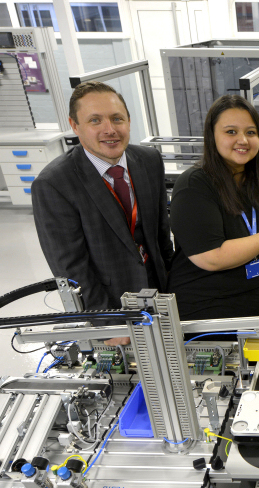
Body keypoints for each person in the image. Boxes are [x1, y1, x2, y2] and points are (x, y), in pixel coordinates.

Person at [32, 81, 174, 320]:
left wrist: (174, 285)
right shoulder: (55, 184)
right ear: (75, 126)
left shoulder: (149, 160)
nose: (110, 130)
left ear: (129, 121)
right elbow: (71, 267)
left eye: (117, 119)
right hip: (110, 302)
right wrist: (104, 318)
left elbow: (162, 235)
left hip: (160, 291)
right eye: (95, 120)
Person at [167, 95, 259, 321]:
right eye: (231, 132)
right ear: (212, 136)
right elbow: (211, 257)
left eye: (251, 132)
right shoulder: (194, 185)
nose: (243, 140)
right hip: (207, 313)